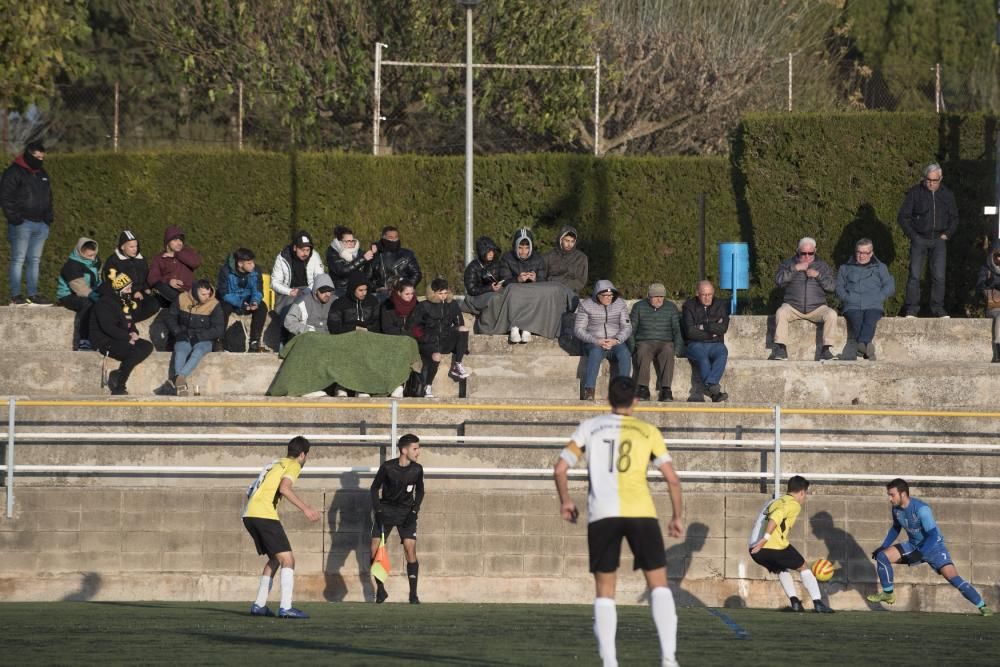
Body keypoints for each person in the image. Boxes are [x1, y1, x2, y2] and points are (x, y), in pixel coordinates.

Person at [553, 376, 684, 667]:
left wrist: (566, 501)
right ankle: (668, 658)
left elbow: (560, 468)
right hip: (642, 514)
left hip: (602, 514)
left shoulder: (590, 427)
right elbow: (672, 480)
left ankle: (610, 661)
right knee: (659, 586)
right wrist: (676, 516)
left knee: (605, 591)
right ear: (635, 400)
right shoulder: (648, 431)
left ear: (609, 400)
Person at [867, 478, 991, 616]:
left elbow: (932, 535)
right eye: (888, 495)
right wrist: (883, 546)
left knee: (953, 578)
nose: (890, 498)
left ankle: (983, 606)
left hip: (934, 548)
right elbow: (896, 528)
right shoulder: (896, 509)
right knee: (882, 556)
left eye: (892, 495)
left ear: (903, 494)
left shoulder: (922, 509)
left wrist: (921, 553)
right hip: (913, 546)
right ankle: (888, 593)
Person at [243, 435, 321, 619]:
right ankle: (286, 607)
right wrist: (306, 508)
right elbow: (284, 488)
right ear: (303, 454)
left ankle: (259, 605)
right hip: (263, 514)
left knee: (275, 559)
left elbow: (250, 491)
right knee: (288, 560)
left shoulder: (273, 464)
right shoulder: (293, 465)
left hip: (249, 514)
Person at [748, 475, 833, 613]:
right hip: (771, 545)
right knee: (804, 567)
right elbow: (777, 516)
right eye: (805, 494)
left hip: (754, 550)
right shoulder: (793, 504)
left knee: (781, 568)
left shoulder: (773, 501)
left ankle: (795, 603)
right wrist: (766, 538)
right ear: (802, 492)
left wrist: (761, 541)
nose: (804, 498)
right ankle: (818, 603)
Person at [898, 163, 958, 318]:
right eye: (928, 180)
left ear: (941, 178)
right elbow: (903, 217)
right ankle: (912, 309)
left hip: (939, 240)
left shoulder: (947, 194)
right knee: (915, 275)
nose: (931, 183)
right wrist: (913, 235)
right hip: (920, 239)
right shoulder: (915, 193)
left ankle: (938, 308)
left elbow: (954, 218)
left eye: (934, 180)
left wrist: (947, 234)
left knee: (939, 276)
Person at [370, 433, 424, 604]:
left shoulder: (417, 469)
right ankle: (380, 590)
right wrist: (378, 511)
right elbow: (374, 489)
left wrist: (414, 511)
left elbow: (421, 491)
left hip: (406, 513)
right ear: (404, 450)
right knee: (374, 549)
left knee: (410, 549)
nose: (418, 452)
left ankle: (413, 594)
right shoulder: (387, 467)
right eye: (415, 448)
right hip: (385, 511)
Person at [1, 140, 54, 305]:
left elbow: (49, 197)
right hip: (22, 224)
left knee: (35, 260)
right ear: (28, 154)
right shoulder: (14, 172)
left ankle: (33, 294)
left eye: (42, 157)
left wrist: (48, 218)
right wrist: (15, 218)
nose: (39, 159)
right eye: (36, 156)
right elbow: (5, 196)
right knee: (18, 259)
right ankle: (16, 295)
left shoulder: (42, 173)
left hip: (41, 224)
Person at [771, 237, 837, 361]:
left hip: (817, 307)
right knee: (781, 312)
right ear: (798, 251)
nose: (807, 256)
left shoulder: (822, 266)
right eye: (803, 253)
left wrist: (818, 275)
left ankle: (826, 350)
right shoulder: (788, 264)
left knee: (831, 314)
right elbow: (779, 280)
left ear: (815, 251)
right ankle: (781, 348)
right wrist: (795, 268)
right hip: (792, 306)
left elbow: (832, 287)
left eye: (810, 253)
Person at [90, 269, 154, 396]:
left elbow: (129, 321)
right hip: (106, 340)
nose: (130, 291)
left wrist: (134, 332)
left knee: (147, 346)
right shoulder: (104, 303)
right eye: (128, 288)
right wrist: (127, 337)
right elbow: (108, 327)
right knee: (134, 351)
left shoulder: (122, 301)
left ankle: (119, 373)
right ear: (119, 287)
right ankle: (119, 385)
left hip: (121, 337)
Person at [835, 238, 895, 361]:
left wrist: (879, 297)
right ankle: (868, 349)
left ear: (871, 253)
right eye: (859, 252)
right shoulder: (845, 268)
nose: (861, 256)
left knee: (869, 321)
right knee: (857, 322)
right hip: (852, 305)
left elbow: (889, 286)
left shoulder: (880, 267)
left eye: (865, 253)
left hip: (874, 304)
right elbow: (839, 287)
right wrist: (847, 298)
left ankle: (863, 347)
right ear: (855, 251)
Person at [164, 279, 225, 396]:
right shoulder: (182, 298)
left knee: (198, 351)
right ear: (196, 292)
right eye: (203, 294)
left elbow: (218, 328)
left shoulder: (214, 304)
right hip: (184, 335)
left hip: (204, 338)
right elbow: (170, 317)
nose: (207, 297)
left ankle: (178, 378)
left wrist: (200, 337)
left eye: (209, 294)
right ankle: (181, 385)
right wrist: (177, 332)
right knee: (181, 350)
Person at [575, 279, 632, 401]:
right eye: (605, 295)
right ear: (597, 295)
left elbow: (627, 327)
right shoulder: (586, 305)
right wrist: (596, 340)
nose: (609, 298)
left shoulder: (620, 304)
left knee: (625, 353)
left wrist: (616, 340)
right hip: (594, 343)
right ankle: (589, 390)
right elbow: (579, 329)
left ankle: (623, 390)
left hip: (615, 342)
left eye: (611, 295)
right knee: (595, 353)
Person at [413, 277, 470, 398]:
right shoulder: (424, 306)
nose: (443, 296)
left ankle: (457, 364)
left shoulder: (452, 304)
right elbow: (414, 326)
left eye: (445, 293)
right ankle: (427, 386)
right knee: (436, 356)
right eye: (440, 293)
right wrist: (424, 338)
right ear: (433, 293)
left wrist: (456, 332)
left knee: (463, 329)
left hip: (444, 339)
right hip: (429, 342)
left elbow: (459, 322)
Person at [629, 282, 685, 402]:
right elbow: (631, 330)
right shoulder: (638, 307)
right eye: (656, 297)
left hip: (665, 342)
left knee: (669, 350)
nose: (659, 300)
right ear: (649, 296)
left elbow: (677, 331)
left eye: (661, 297)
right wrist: (632, 348)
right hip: (644, 341)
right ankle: (643, 388)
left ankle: (666, 389)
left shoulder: (671, 308)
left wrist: (678, 350)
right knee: (643, 350)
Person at [681, 280, 729, 402]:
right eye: (704, 295)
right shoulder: (688, 306)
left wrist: (704, 327)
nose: (707, 298)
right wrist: (711, 333)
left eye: (710, 294)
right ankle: (714, 390)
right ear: (697, 294)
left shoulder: (720, 304)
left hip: (715, 344)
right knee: (703, 358)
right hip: (694, 344)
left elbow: (723, 328)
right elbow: (690, 332)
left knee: (722, 352)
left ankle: (710, 386)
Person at [500, 227, 549, 343]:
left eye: (526, 248)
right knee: (514, 291)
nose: (523, 252)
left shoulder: (538, 258)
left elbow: (544, 280)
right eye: (520, 248)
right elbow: (503, 280)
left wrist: (536, 279)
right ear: (515, 246)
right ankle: (514, 327)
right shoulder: (507, 258)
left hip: (532, 290)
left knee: (534, 292)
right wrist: (517, 279)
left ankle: (528, 328)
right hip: (515, 290)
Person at [216, 247, 267, 352]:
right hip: (231, 300)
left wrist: (255, 302)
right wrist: (241, 304)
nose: (253, 265)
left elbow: (258, 290)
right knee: (222, 308)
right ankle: (218, 340)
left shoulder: (256, 271)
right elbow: (225, 293)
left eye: (253, 262)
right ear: (240, 264)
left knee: (262, 307)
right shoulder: (225, 271)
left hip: (247, 298)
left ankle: (254, 341)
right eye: (249, 263)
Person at [104, 230, 160, 323]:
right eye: (131, 247)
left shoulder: (141, 259)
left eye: (136, 246)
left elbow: (145, 276)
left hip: (140, 292)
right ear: (122, 247)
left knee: (154, 304)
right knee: (133, 306)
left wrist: (146, 288)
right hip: (123, 293)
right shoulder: (113, 261)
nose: (135, 249)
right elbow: (113, 281)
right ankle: (124, 321)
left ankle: (129, 320)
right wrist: (133, 291)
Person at [56, 237, 101, 350]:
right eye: (89, 256)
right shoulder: (71, 266)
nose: (92, 258)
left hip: (91, 292)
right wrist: (93, 295)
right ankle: (84, 341)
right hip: (68, 295)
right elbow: (79, 287)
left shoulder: (95, 262)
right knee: (88, 304)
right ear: (80, 253)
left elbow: (98, 278)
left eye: (94, 255)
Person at [271, 230, 325, 315]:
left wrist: (306, 291)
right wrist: (289, 291)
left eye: (308, 250)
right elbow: (274, 282)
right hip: (288, 293)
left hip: (308, 291)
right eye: (303, 250)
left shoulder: (314, 256)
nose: (306, 253)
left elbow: (320, 278)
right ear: (295, 248)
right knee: (289, 309)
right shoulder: (282, 257)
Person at [147, 226, 202, 306]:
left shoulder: (187, 253)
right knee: (159, 285)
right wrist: (169, 281)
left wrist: (176, 254)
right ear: (168, 242)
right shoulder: (159, 258)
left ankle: (184, 303)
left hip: (186, 292)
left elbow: (196, 263)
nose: (179, 243)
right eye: (175, 240)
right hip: (167, 293)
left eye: (181, 240)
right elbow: (152, 278)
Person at [369, 226, 422, 300]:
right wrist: (376, 288)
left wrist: (405, 289)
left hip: (403, 295)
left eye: (396, 237)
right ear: (383, 238)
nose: (393, 240)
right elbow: (367, 278)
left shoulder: (407, 254)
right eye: (390, 237)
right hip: (381, 295)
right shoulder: (375, 255)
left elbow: (416, 273)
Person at [326, 225, 375, 298]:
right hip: (341, 289)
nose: (351, 243)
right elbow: (342, 270)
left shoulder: (358, 251)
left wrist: (371, 258)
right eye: (348, 241)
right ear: (340, 242)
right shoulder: (333, 253)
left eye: (352, 241)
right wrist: (363, 259)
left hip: (358, 288)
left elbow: (367, 274)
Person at [461, 235, 504, 315]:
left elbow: (504, 277)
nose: (491, 254)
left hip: (494, 293)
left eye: (492, 251)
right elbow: (471, 290)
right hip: (476, 298)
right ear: (482, 252)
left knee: (507, 294)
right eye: (488, 251)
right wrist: (490, 288)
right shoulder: (472, 267)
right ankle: (486, 324)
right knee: (495, 298)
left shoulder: (497, 263)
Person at [283, 273, 336, 338]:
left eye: (329, 291)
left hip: (328, 340)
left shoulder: (335, 301)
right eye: (324, 291)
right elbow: (289, 322)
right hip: (306, 339)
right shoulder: (302, 302)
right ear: (316, 290)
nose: (327, 294)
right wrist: (308, 330)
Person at [544, 225, 589, 294]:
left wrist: (564, 286)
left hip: (571, 294)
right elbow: (542, 277)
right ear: (561, 240)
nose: (569, 244)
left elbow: (581, 281)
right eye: (567, 241)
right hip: (550, 293)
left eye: (572, 241)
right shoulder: (549, 256)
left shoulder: (581, 258)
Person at [975, 241, 1000, 363]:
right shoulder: (986, 268)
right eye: (997, 255)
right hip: (994, 305)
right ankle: (997, 354)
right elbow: (979, 288)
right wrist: (991, 283)